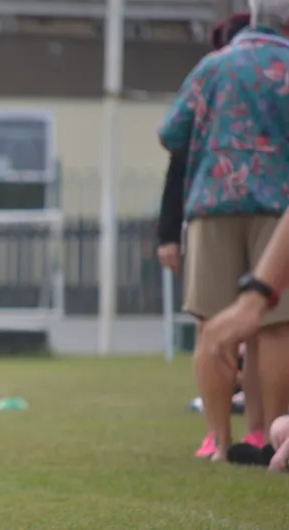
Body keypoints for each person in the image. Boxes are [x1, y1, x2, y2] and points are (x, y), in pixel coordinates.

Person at [159, 0, 289, 463]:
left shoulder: (213, 66)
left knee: (212, 324)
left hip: (213, 201)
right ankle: (267, 435)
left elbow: (171, 132)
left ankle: (216, 438)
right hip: (279, 205)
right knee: (273, 326)